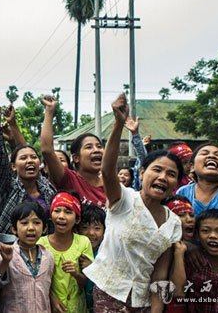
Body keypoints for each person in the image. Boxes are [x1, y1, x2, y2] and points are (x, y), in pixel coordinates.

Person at [83, 94, 183, 312]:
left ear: (176, 184)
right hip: (109, 294)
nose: (163, 177)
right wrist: (119, 124)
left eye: (171, 174)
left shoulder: (173, 223)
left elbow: (160, 273)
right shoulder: (125, 199)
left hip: (143, 302)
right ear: (142, 172)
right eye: (157, 170)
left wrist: (156, 310)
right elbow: (107, 171)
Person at [0, 104, 56, 254]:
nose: (30, 161)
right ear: (13, 166)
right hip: (10, 255)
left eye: (33, 157)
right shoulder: (8, 186)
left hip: (44, 255)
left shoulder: (48, 190)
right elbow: (0, 160)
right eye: (23, 158)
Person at [172, 209, 218, 312]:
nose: (212, 236)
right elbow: (178, 293)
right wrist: (179, 253)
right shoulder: (189, 265)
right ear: (197, 236)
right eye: (205, 230)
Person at [40, 95, 106, 208]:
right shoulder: (69, 179)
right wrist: (49, 111)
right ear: (76, 158)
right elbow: (47, 150)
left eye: (99, 146)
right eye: (89, 147)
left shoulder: (111, 184)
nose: (96, 150)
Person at [37, 191, 93, 313]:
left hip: (77, 308)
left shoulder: (83, 242)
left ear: (77, 219)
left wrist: (76, 273)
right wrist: (51, 298)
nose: (61, 216)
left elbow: (87, 282)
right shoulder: (41, 244)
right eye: (57, 211)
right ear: (51, 215)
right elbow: (36, 281)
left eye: (68, 212)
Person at [0, 201, 55, 313]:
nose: (31, 228)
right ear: (14, 229)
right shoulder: (6, 255)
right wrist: (5, 262)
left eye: (36, 223)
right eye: (24, 223)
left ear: (45, 228)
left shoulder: (49, 257)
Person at [78, 205, 106, 313]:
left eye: (97, 228)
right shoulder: (76, 251)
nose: (91, 233)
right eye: (85, 228)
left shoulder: (106, 253)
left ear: (104, 231)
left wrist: (92, 267)